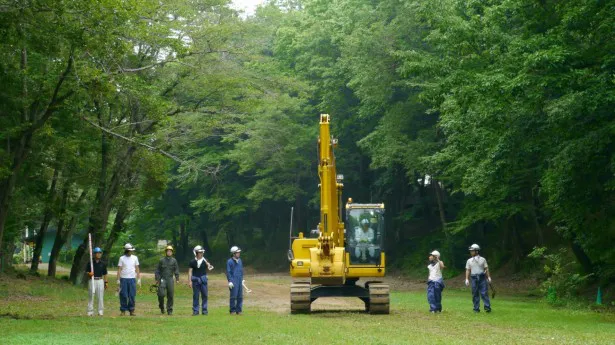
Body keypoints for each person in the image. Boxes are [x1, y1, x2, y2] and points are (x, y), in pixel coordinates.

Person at [465, 244, 492, 313]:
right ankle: (476, 308)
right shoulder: (469, 261)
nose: (471, 252)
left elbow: (486, 268)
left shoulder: (483, 259)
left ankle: (487, 307)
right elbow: (468, 270)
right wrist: (467, 279)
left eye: (472, 251)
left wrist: (488, 277)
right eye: (470, 251)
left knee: (484, 293)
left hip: (482, 277)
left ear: (476, 251)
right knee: (475, 294)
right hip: (473, 278)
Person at [116, 243, 141, 316]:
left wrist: (139, 278)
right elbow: (119, 269)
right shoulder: (122, 258)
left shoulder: (135, 258)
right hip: (123, 279)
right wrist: (118, 279)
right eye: (130, 251)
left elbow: (137, 268)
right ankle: (123, 310)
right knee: (123, 295)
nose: (131, 252)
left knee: (132, 295)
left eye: (131, 251)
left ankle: (132, 310)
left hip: (132, 278)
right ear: (126, 251)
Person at [188, 245, 213, 316]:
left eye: (202, 252)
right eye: (200, 252)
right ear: (196, 253)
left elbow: (209, 270)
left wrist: (208, 265)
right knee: (196, 296)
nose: (201, 254)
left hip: (203, 280)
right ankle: (195, 311)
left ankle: (204, 311)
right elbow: (190, 271)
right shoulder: (192, 262)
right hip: (195, 280)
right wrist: (189, 281)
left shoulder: (205, 260)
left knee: (205, 295)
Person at [155, 245, 180, 315]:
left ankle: (169, 310)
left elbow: (176, 270)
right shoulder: (161, 260)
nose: (169, 252)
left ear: (172, 252)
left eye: (170, 251)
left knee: (170, 295)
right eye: (168, 251)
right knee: (161, 294)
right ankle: (161, 306)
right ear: (166, 252)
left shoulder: (174, 261)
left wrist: (177, 278)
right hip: (162, 279)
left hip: (170, 279)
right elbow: (157, 270)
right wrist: (157, 279)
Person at [85, 247, 108, 316]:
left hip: (100, 280)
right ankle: (90, 311)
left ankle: (100, 311)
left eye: (100, 253)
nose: (98, 254)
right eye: (97, 253)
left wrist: (106, 282)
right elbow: (86, 272)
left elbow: (105, 274)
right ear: (94, 254)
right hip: (92, 280)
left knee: (100, 296)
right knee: (91, 296)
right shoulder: (90, 263)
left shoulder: (103, 264)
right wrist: (89, 273)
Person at [226, 246, 244, 315]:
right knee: (233, 296)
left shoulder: (240, 260)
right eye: (237, 253)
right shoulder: (229, 261)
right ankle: (232, 310)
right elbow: (228, 272)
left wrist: (242, 279)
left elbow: (241, 270)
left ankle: (239, 310)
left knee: (240, 296)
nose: (239, 254)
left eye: (239, 253)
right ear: (233, 253)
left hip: (239, 280)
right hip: (233, 281)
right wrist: (230, 281)